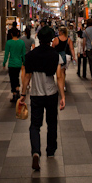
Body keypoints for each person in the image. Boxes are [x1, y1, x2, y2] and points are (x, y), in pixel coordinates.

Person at [20, 26, 65, 171]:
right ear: (51, 39)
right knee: (51, 123)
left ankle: (35, 152)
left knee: (35, 125)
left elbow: (27, 76)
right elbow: (59, 77)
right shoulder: (55, 55)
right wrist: (62, 96)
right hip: (51, 95)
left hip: (35, 95)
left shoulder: (31, 56)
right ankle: (50, 151)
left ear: (38, 38)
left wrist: (22, 94)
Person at [3, 27, 25, 102]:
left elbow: (6, 54)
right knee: (17, 77)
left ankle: (14, 93)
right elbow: (23, 54)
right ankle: (18, 89)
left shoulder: (9, 42)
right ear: (18, 33)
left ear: (11, 34)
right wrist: (24, 62)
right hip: (19, 63)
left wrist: (4, 63)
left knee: (12, 78)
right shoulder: (21, 43)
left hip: (11, 63)